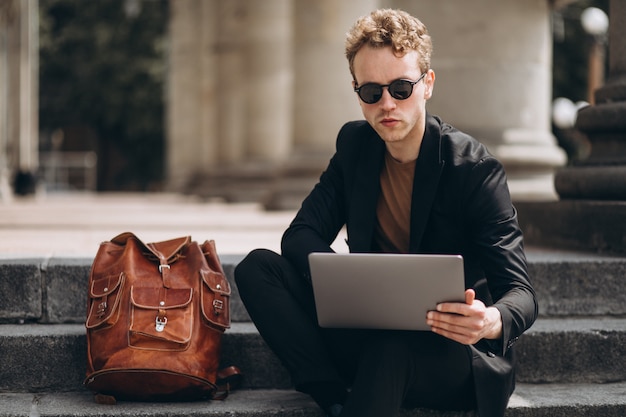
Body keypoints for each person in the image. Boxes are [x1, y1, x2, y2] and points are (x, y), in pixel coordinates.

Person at [235, 8, 537, 417]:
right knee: (257, 268)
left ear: (427, 84)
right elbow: (300, 234)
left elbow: (521, 293)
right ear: (357, 90)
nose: (387, 104)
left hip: (450, 353)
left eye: (400, 87)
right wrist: (349, 281)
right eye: (371, 92)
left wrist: (489, 320)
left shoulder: (474, 170)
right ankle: (334, 397)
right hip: (368, 332)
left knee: (390, 349)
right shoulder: (356, 146)